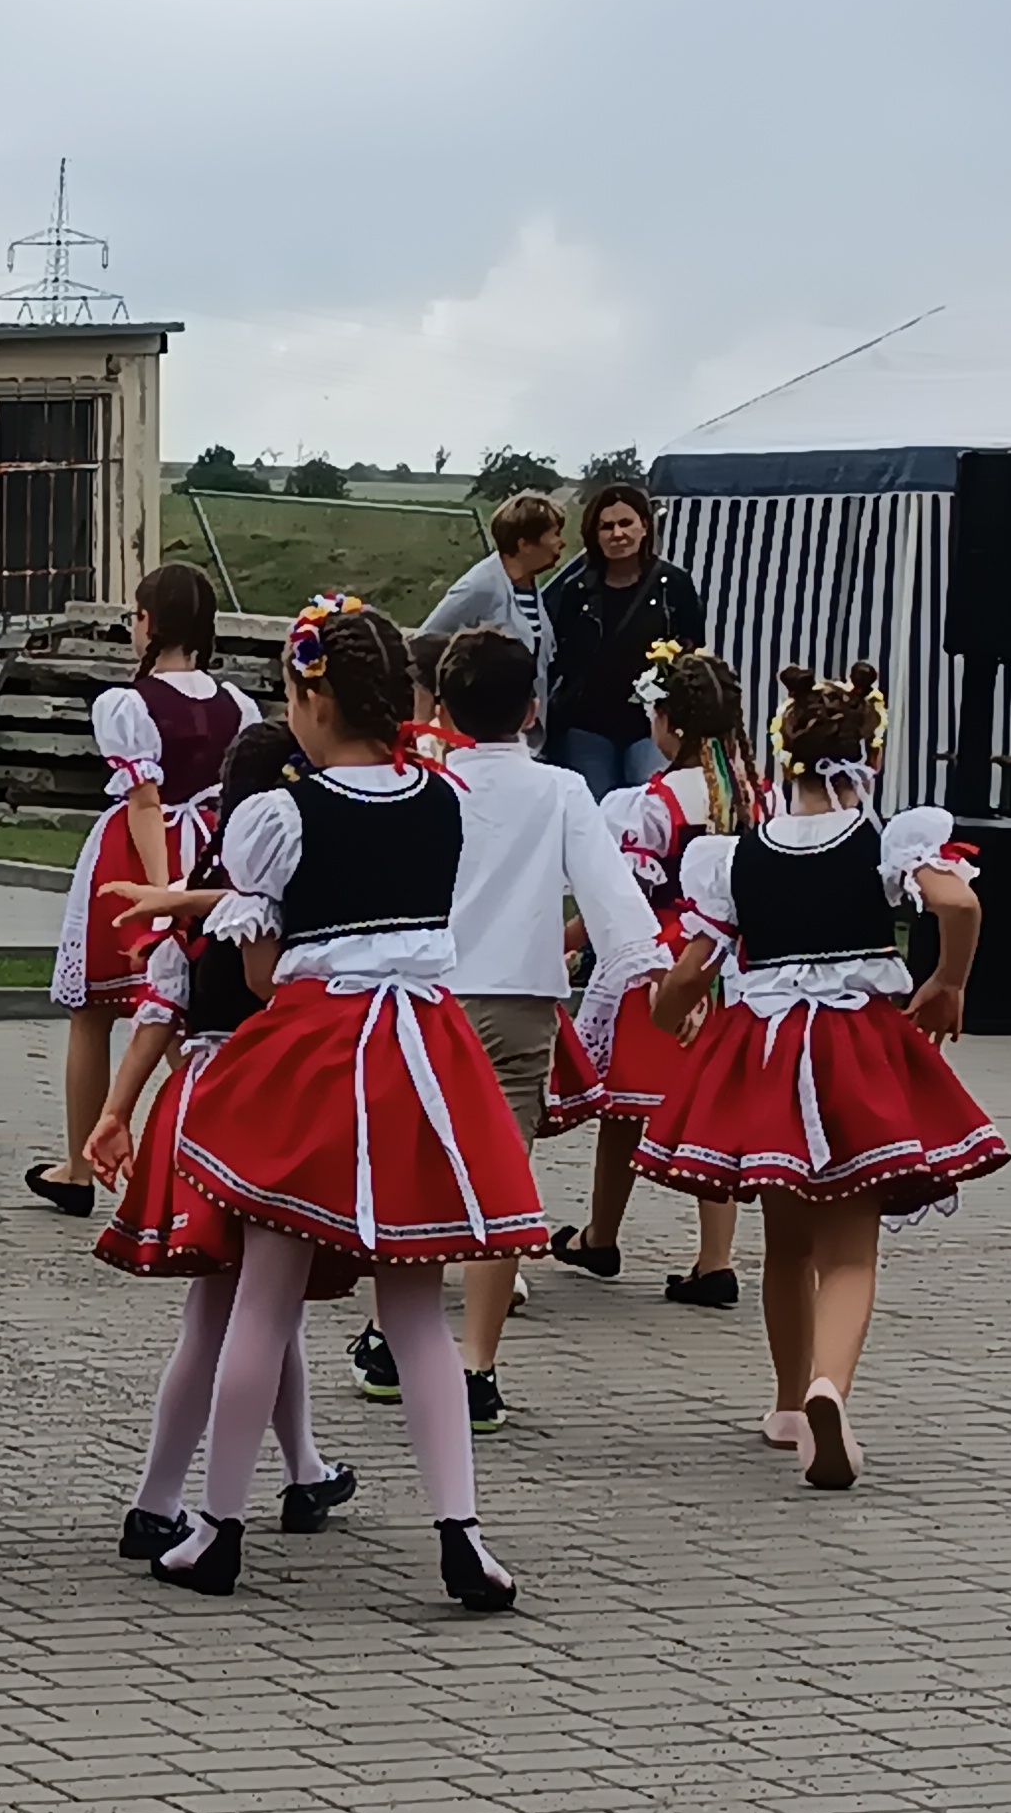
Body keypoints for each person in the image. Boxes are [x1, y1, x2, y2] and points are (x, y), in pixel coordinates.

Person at [156, 596, 550, 1612]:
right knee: (415, 1309)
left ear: (314, 700)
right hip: (423, 1053)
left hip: (318, 1054)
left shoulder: (279, 817)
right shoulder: (443, 799)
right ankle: (461, 1533)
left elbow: (260, 978)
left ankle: (218, 1528)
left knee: (265, 1296)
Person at [634, 662, 1003, 1489]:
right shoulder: (885, 842)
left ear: (784, 755)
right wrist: (948, 981)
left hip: (768, 1055)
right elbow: (960, 904)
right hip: (855, 1053)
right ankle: (831, 1387)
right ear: (867, 754)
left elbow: (690, 972)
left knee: (786, 1245)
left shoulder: (736, 858)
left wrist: (670, 1015)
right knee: (849, 1254)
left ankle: (788, 1404)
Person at [374, 627, 659, 1434]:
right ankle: (477, 1367)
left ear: (442, 708)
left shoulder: (420, 782)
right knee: (500, 1175)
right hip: (519, 1003)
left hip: (427, 995)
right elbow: (610, 895)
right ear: (533, 710)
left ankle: (394, 1337)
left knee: (416, 1164)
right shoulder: (560, 790)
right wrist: (649, 968)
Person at [87, 719, 353, 1558]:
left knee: (254, 1310)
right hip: (264, 1101)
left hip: (197, 1094)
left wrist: (116, 1110)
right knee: (237, 1312)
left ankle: (300, 1470)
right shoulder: (288, 902)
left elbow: (159, 1014)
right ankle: (162, 1498)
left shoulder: (204, 888)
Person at [36, 564, 254, 1211]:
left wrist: (163, 897)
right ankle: (220, 1157)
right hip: (213, 848)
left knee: (94, 1012)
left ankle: (80, 1168)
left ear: (149, 623)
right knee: (188, 1012)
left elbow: (145, 799)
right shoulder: (236, 705)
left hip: (138, 859)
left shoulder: (129, 704)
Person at [557, 642, 757, 1304]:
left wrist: (569, 939)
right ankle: (716, 1259)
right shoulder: (757, 797)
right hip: (733, 963)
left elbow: (626, 894)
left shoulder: (653, 801)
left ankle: (602, 1234)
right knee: (714, 1107)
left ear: (668, 721)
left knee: (623, 1110)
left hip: (666, 958)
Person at [539, 481, 705, 796]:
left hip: (653, 726)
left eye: (626, 523)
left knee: (655, 806)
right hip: (587, 727)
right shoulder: (575, 591)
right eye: (607, 526)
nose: (618, 534)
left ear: (645, 526)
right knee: (597, 810)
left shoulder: (675, 585)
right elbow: (556, 656)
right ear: (594, 535)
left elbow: (694, 649)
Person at [416, 490, 568, 701]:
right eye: (555, 534)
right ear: (525, 545)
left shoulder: (528, 585)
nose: (562, 542)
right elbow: (424, 645)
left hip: (524, 717)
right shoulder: (481, 586)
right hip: (483, 716)